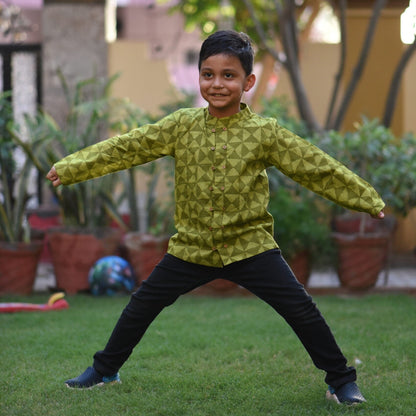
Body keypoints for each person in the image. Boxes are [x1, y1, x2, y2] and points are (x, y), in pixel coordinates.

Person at [47, 30, 384, 404]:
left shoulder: (263, 133)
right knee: (142, 304)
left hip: (250, 245)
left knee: (301, 309)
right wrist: (73, 167)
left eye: (228, 75)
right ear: (199, 77)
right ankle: (105, 370)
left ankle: (341, 380)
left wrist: (365, 199)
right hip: (192, 247)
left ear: (248, 82)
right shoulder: (181, 126)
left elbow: (314, 166)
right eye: (208, 74)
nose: (217, 84)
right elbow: (129, 146)